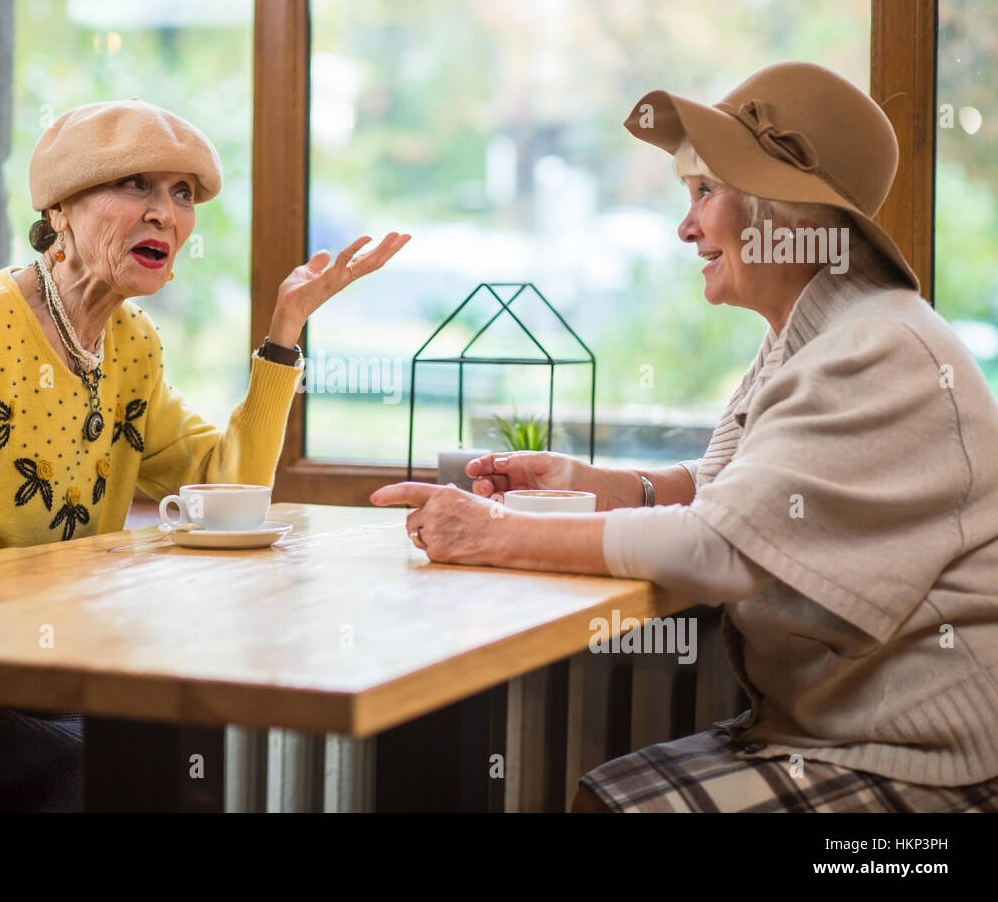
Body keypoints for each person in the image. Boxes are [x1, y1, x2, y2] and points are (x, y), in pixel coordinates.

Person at [0, 98, 409, 811]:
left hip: (37, 682)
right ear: (58, 209)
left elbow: (226, 491)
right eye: (135, 185)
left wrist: (285, 331)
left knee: (193, 751)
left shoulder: (131, 345)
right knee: (144, 780)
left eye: (182, 194)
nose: (165, 213)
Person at [372, 62, 998, 812]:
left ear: (785, 210)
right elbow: (727, 490)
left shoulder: (877, 347)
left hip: (920, 760)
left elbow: (719, 549)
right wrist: (600, 485)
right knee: (596, 798)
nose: (686, 226)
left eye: (705, 192)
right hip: (836, 731)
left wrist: (491, 534)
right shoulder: (818, 330)